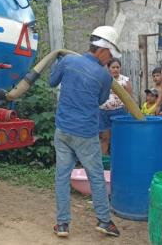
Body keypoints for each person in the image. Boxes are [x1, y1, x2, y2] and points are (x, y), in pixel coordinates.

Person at [49, 25, 121, 238]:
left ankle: (62, 224)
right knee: (96, 176)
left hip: (63, 130)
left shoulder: (68, 61)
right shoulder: (104, 76)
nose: (110, 59)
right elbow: (100, 101)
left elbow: (52, 81)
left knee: (62, 176)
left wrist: (60, 64)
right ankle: (104, 221)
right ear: (103, 49)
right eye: (110, 54)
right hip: (86, 134)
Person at [99, 58, 132, 155]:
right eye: (113, 67)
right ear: (108, 68)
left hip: (119, 112)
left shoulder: (125, 80)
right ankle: (104, 161)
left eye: (117, 67)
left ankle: (117, 160)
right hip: (103, 113)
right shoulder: (103, 79)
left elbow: (129, 99)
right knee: (104, 137)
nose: (115, 69)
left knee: (118, 137)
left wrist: (129, 113)